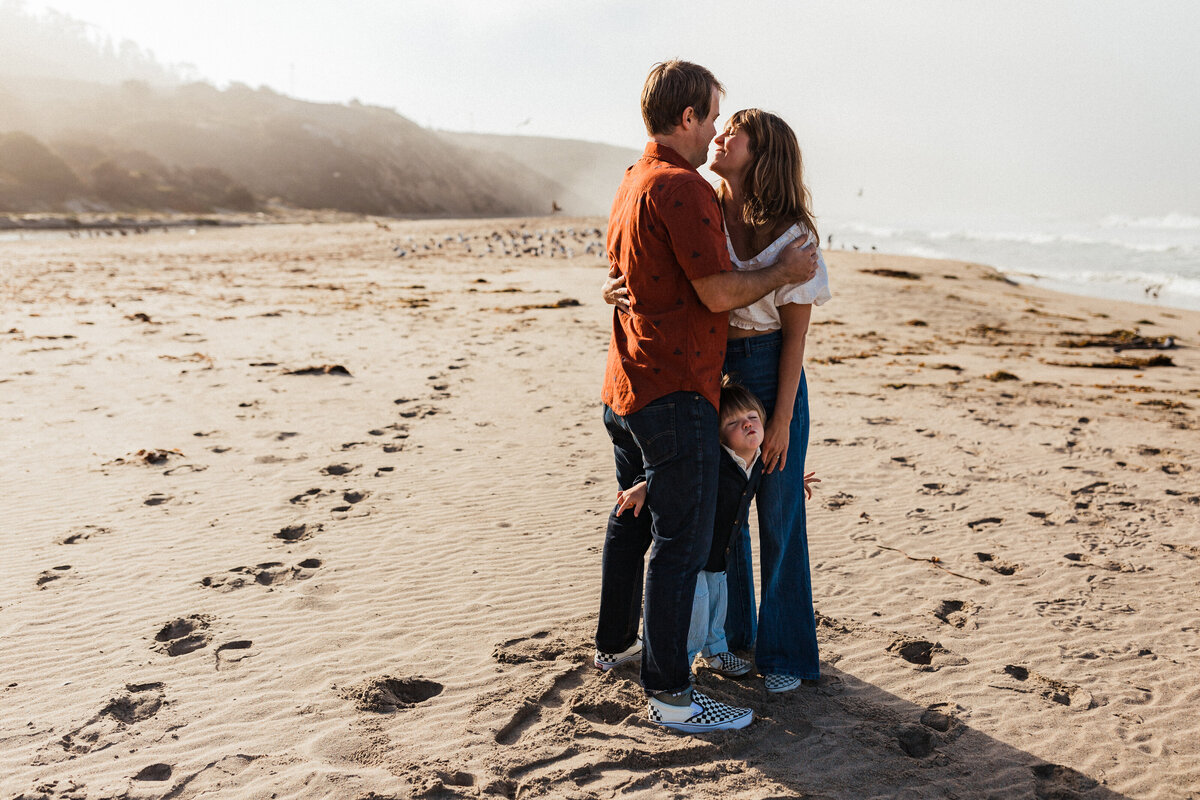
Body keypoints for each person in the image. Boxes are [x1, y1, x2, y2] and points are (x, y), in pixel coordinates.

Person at [596, 61, 820, 733]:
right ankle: (701, 667)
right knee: (703, 527)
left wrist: (779, 418)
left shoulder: (648, 183)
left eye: (735, 129)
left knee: (762, 514)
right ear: (689, 119)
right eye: (716, 119)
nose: (720, 131)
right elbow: (698, 286)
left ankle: (773, 652)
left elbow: (791, 334)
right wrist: (616, 285)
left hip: (719, 373)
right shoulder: (693, 195)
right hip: (694, 378)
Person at [613, 377, 820, 681]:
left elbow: (765, 482)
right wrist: (644, 486)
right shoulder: (716, 464)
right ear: (720, 437)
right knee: (695, 615)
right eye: (735, 423)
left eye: (752, 417)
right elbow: (675, 480)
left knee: (716, 608)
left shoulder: (760, 461)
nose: (747, 424)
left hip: (719, 557)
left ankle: (716, 651)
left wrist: (794, 482)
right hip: (696, 555)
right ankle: (680, 665)